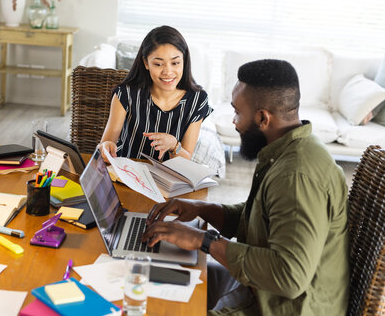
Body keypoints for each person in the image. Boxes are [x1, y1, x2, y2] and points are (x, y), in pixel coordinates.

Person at [142, 59, 349, 315]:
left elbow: (289, 276)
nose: (235, 123)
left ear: (263, 118)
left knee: (151, 303)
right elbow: (262, 218)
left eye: (238, 113)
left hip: (279, 306)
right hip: (259, 290)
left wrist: (203, 240)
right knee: (148, 273)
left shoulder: (297, 176)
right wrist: (200, 209)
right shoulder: (292, 150)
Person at [99, 25, 212, 161]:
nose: (168, 72)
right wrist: (106, 147)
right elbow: (105, 144)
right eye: (158, 64)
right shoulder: (125, 93)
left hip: (169, 178)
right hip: (126, 174)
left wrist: (174, 145)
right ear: (146, 63)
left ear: (184, 61)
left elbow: (186, 159)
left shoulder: (197, 100)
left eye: (175, 63)